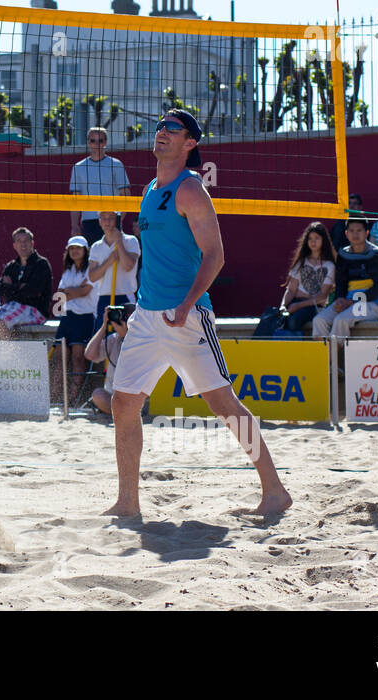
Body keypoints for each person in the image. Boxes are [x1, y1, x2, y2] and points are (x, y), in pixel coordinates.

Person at [103, 110, 291, 518]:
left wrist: (187, 304)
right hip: (147, 316)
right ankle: (128, 503)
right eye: (160, 126)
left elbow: (216, 255)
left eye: (173, 129)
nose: (161, 133)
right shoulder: (151, 188)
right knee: (123, 402)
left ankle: (274, 491)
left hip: (186, 316)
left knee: (224, 404)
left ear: (190, 143)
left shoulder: (191, 191)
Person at [312, 217, 378, 338]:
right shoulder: (343, 254)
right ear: (346, 234)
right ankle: (324, 355)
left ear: (367, 233)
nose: (355, 234)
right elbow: (341, 282)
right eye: (352, 231)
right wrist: (339, 300)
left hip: (372, 304)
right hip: (347, 302)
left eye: (359, 230)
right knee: (319, 320)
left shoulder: (376, 254)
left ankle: (336, 355)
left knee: (341, 320)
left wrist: (352, 302)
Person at [0, 227, 52, 336]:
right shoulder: (11, 266)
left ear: (32, 243)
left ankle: (5, 353)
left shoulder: (41, 264)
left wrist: (10, 287)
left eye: (26, 241)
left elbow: (33, 292)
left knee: (1, 323)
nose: (23, 244)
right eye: (19, 241)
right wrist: (19, 287)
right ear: (14, 245)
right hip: (12, 306)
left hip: (35, 310)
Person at [53, 235, 97, 402]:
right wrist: (76, 290)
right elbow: (59, 295)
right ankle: (56, 397)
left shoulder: (90, 269)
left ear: (85, 250)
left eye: (78, 248)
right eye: (72, 248)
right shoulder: (68, 270)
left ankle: (73, 398)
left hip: (85, 316)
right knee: (59, 357)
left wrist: (70, 292)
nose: (75, 251)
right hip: (67, 316)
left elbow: (84, 292)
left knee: (78, 357)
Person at [70, 126, 131, 245]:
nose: (96, 144)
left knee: (114, 258)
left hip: (110, 219)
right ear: (88, 142)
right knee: (93, 259)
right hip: (89, 221)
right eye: (93, 140)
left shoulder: (116, 164)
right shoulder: (78, 167)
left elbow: (125, 194)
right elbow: (75, 200)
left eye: (100, 140)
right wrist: (74, 225)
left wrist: (119, 218)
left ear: (105, 143)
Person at [276, 222, 337, 335]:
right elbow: (291, 290)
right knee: (277, 319)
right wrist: (283, 306)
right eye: (310, 238)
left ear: (324, 240)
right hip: (294, 303)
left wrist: (298, 306)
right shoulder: (301, 262)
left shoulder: (329, 266)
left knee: (293, 321)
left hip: (313, 306)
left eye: (317, 238)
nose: (313, 242)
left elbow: (322, 297)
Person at [87, 210, 139, 326]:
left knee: (126, 337)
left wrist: (119, 242)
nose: (107, 222)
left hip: (125, 296)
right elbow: (92, 277)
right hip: (104, 298)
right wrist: (109, 261)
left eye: (111, 218)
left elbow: (128, 266)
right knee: (103, 339)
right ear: (99, 221)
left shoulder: (131, 241)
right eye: (104, 218)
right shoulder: (96, 246)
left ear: (117, 220)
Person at [84, 303, 130, 416]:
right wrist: (104, 325)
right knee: (98, 394)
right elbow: (89, 355)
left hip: (133, 396)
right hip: (113, 397)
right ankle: (119, 414)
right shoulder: (114, 339)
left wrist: (126, 336)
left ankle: (124, 414)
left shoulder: (141, 340)